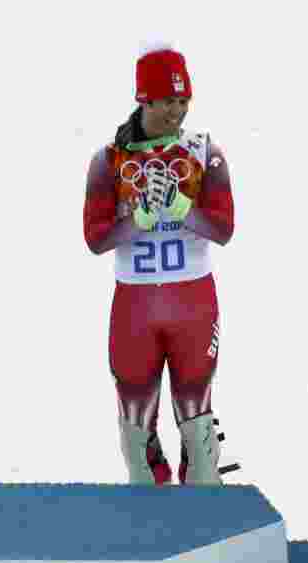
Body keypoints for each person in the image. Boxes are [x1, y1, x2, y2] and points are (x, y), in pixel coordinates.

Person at [82, 42, 237, 486]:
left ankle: (205, 503)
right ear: (144, 98)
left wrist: (185, 211)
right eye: (169, 100)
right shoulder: (108, 159)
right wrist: (137, 220)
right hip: (134, 305)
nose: (178, 110)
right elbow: (94, 239)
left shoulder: (204, 149)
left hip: (192, 300)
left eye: (184, 100)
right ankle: (149, 519)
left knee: (199, 430)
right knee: (135, 433)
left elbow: (224, 229)